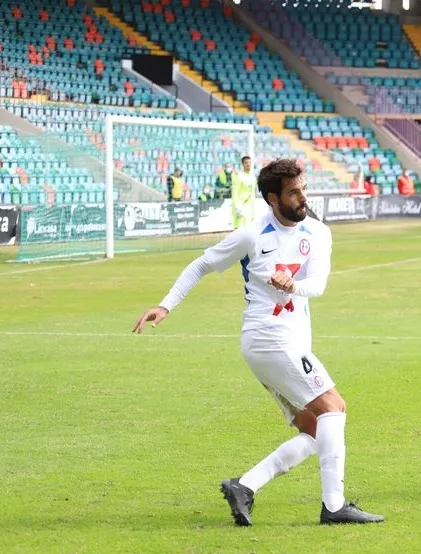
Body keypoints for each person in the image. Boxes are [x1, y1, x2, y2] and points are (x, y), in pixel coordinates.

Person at [132, 158, 384, 526]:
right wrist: (166, 305)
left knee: (317, 431)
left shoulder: (318, 232)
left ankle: (244, 486)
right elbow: (201, 264)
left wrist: (293, 285)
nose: (303, 198)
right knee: (334, 407)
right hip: (268, 338)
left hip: (286, 343)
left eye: (303, 190)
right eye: (293, 193)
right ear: (272, 199)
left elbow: (318, 285)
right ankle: (334, 506)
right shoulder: (252, 234)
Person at [232, 155, 256, 229]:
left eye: (250, 162)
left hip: (250, 207)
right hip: (241, 207)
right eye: (246, 163)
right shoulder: (239, 177)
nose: (248, 164)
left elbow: (252, 192)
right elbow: (234, 193)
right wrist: (237, 206)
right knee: (239, 229)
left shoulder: (253, 177)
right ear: (243, 164)